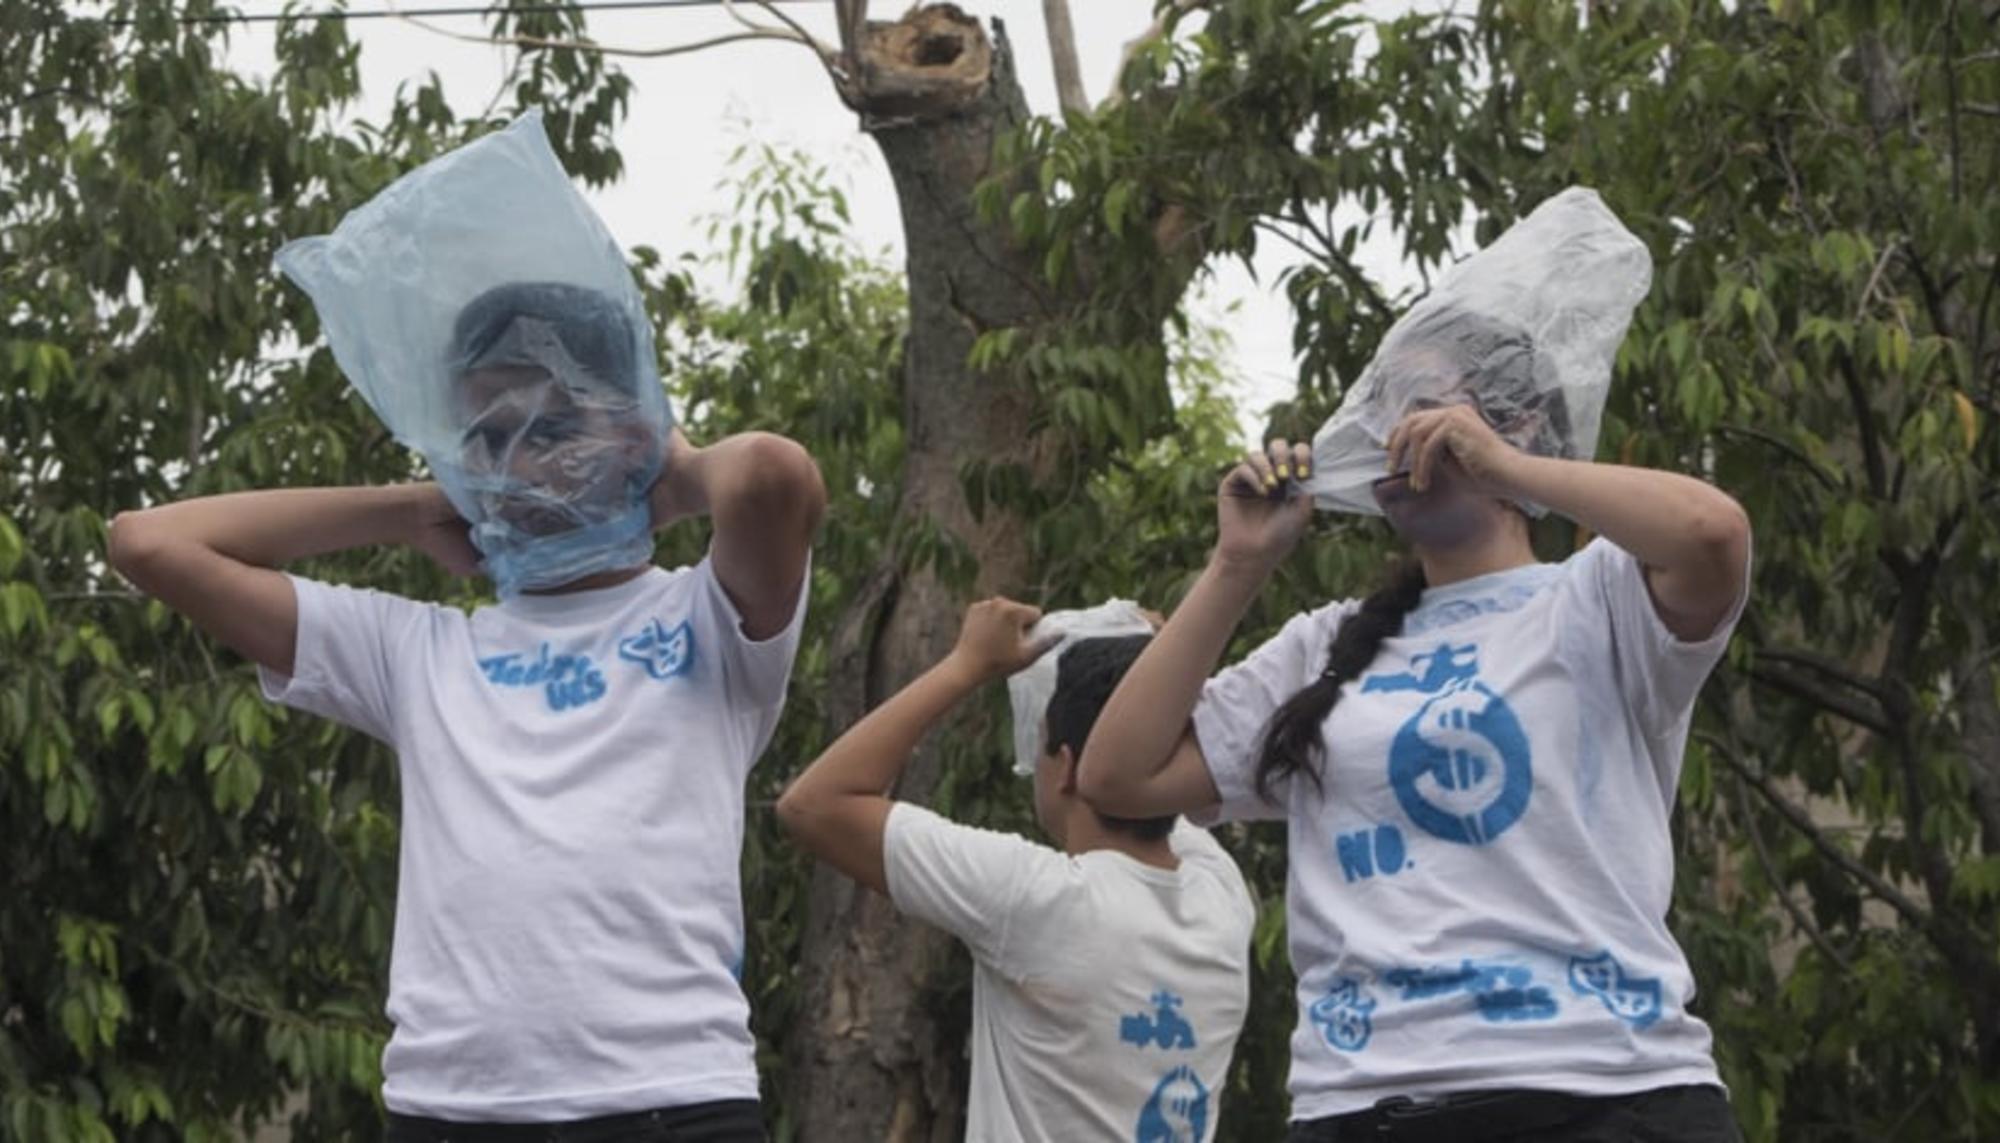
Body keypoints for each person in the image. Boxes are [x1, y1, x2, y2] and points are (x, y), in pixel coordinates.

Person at [107, 282, 824, 1142]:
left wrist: (671, 482)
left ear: (637, 436)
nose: (515, 463)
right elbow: (148, 544)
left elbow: (774, 477)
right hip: (451, 1108)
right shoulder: (420, 651)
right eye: (485, 437)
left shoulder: (707, 621)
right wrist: (414, 509)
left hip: (674, 1098)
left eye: (552, 428)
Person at [1076, 391, 1753, 1141]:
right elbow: (1116, 776)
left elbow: (1714, 533)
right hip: (1366, 1105)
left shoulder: (1598, 596)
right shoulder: (1323, 645)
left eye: (1432, 407)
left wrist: (1509, 466)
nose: (1401, 431)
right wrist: (1237, 563)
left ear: (1513, 426)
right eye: (1386, 414)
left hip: (1615, 1091)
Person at [776, 598, 1255, 1142]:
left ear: (1067, 766)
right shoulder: (1222, 897)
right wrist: (1167, 663)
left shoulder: (1038, 901)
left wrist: (967, 664)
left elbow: (812, 804)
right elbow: (1158, 778)